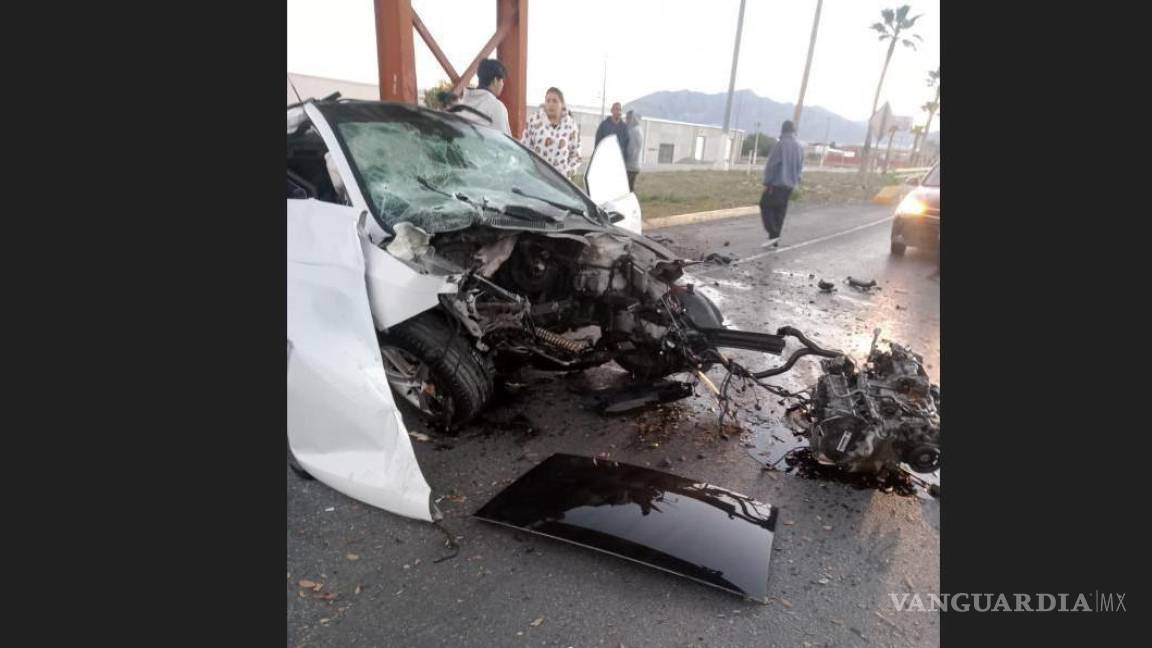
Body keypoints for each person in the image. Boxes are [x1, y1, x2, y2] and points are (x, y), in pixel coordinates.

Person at [758, 120, 804, 248]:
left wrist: (767, 182)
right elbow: (800, 168)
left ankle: (773, 234)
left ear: (782, 130)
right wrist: (796, 182)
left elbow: (772, 165)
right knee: (780, 211)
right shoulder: (800, 147)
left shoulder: (780, 145)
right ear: (793, 131)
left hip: (776, 185)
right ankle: (774, 239)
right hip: (790, 186)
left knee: (765, 205)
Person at [521, 87, 582, 178]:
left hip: (560, 181)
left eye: (555, 101)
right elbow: (524, 148)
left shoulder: (571, 125)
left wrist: (566, 173)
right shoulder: (534, 121)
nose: (550, 104)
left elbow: (576, 155)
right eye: (548, 101)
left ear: (562, 104)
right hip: (537, 178)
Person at [457, 59, 511, 135]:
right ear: (495, 80)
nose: (502, 84)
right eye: (502, 81)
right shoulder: (496, 107)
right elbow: (505, 143)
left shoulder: (461, 103)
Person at [624, 110, 644, 191]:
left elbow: (632, 148)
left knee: (628, 188)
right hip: (632, 165)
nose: (626, 120)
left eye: (628, 118)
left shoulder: (634, 131)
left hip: (631, 165)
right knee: (629, 187)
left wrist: (625, 158)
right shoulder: (635, 129)